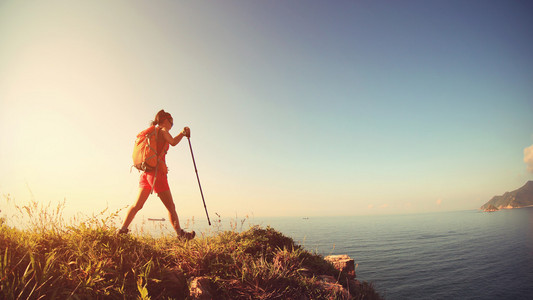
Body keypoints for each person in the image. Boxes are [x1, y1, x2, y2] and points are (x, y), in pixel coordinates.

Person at [118, 110, 195, 240]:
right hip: (157, 174)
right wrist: (182, 133)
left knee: (137, 205)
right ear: (165, 120)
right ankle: (180, 234)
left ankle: (122, 230)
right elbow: (173, 142)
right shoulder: (163, 130)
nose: (172, 124)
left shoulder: (152, 132)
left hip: (145, 174)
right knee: (171, 206)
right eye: (171, 122)